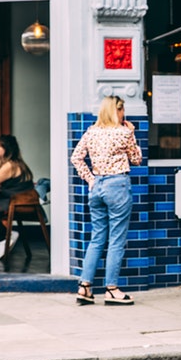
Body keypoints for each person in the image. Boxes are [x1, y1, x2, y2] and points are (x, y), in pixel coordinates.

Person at [70, 95, 142, 306]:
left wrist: (90, 179)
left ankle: (85, 287)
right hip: (117, 186)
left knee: (97, 238)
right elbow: (137, 159)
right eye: (122, 110)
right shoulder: (124, 132)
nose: (124, 114)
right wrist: (132, 133)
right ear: (116, 111)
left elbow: (76, 157)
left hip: (97, 187)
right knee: (117, 239)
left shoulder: (92, 131)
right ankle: (111, 289)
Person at [0, 134, 35, 260]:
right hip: (13, 200)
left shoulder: (10, 165)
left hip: (17, 202)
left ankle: (6, 236)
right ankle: (2, 239)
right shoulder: (9, 162)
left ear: (6, 149)